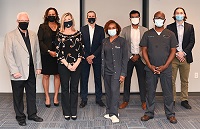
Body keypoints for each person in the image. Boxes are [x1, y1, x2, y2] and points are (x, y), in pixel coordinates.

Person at [3, 12, 43, 126]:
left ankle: (32, 114)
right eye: (22, 21)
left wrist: (39, 66)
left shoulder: (33, 34)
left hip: (31, 70)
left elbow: (37, 52)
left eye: (26, 21)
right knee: (18, 96)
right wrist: (14, 71)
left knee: (31, 94)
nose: (24, 23)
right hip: (18, 72)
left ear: (29, 21)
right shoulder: (10, 36)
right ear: (17, 22)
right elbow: (8, 54)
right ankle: (20, 116)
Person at [140, 11, 178, 124]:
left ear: (165, 20)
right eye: (157, 18)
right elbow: (144, 50)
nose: (159, 19)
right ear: (153, 19)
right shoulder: (147, 34)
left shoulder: (170, 34)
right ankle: (149, 113)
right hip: (151, 68)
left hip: (166, 68)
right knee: (150, 91)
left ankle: (170, 114)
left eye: (161, 18)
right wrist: (149, 65)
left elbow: (173, 50)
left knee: (168, 92)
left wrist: (165, 65)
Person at [55, 12, 84, 120]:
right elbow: (58, 52)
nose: (68, 21)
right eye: (66, 19)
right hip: (63, 65)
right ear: (63, 21)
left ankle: (73, 111)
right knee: (65, 88)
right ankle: (66, 111)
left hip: (77, 65)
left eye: (70, 18)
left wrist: (76, 64)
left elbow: (82, 50)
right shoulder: (59, 34)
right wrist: (68, 65)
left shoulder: (78, 33)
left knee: (74, 88)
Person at [167, 7, 195, 109]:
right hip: (173, 57)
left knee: (184, 80)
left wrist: (183, 53)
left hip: (186, 57)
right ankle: (172, 99)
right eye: (177, 13)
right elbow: (168, 42)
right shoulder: (169, 27)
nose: (179, 14)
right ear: (174, 15)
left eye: (181, 12)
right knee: (172, 80)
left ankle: (184, 100)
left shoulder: (190, 27)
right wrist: (177, 53)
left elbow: (192, 42)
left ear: (184, 15)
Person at [119, 10, 148, 110]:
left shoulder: (145, 30)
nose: (135, 18)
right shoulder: (125, 30)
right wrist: (131, 56)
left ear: (139, 18)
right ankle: (125, 100)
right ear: (130, 18)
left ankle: (144, 101)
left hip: (141, 58)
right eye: (133, 17)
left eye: (136, 16)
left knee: (142, 80)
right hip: (128, 58)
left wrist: (138, 55)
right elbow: (122, 45)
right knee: (126, 80)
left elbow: (146, 45)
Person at [102, 20, 128, 123]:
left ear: (117, 29)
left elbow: (125, 58)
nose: (112, 30)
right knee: (108, 92)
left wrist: (123, 74)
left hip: (116, 72)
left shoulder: (122, 41)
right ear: (107, 30)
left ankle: (114, 113)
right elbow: (102, 57)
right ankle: (109, 111)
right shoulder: (105, 41)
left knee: (114, 92)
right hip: (106, 71)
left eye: (113, 28)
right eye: (109, 28)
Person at [80, 11, 105, 108]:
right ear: (87, 18)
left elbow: (102, 44)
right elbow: (81, 45)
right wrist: (87, 56)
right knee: (84, 79)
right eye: (89, 16)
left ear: (96, 17)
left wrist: (93, 55)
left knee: (98, 78)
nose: (91, 18)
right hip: (85, 58)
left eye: (93, 16)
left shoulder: (100, 29)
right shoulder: (82, 29)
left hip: (97, 57)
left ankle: (99, 99)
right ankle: (83, 99)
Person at [38, 7, 60, 108]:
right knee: (46, 76)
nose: (51, 16)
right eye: (50, 14)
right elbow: (40, 41)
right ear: (47, 15)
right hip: (46, 55)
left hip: (58, 55)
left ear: (56, 15)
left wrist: (58, 52)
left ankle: (55, 97)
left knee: (57, 75)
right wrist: (48, 51)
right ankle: (47, 97)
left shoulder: (60, 26)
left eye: (53, 14)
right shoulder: (42, 27)